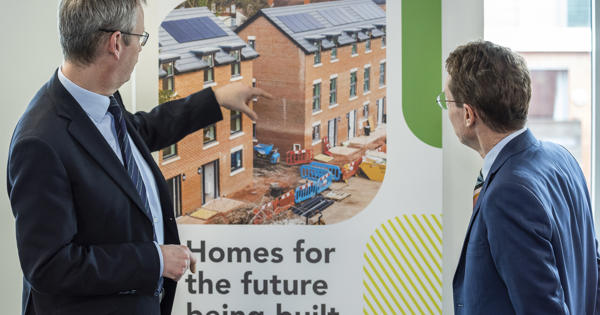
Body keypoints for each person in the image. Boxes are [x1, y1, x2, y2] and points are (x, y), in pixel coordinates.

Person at [6, 0, 270, 314]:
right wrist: (155, 260)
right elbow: (50, 267)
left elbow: (138, 132)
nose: (141, 49)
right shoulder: (39, 143)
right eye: (141, 38)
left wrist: (216, 98)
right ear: (116, 43)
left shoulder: (100, 98)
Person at [441, 41, 599, 314]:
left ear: (468, 114)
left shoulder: (508, 192)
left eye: (447, 101)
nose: (447, 111)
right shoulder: (562, 159)